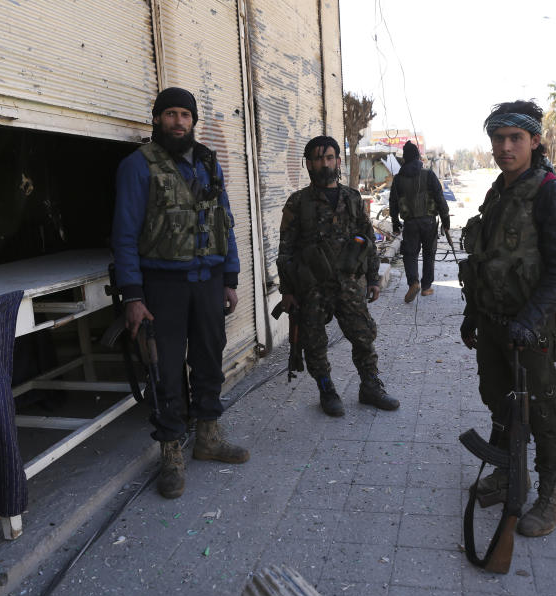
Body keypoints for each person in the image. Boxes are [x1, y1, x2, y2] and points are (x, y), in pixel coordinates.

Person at [112, 87, 249, 500]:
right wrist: (133, 296)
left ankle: (207, 436)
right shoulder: (138, 166)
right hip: (162, 286)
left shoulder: (208, 161)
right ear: (157, 120)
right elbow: (124, 234)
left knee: (209, 360)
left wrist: (231, 276)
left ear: (193, 121)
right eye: (169, 114)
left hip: (208, 282)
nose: (177, 122)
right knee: (165, 370)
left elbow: (224, 218)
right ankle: (171, 451)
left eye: (184, 115)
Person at [460, 100, 556, 537]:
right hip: (493, 323)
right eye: (498, 138)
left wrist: (529, 320)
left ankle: (554, 497)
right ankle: (512, 473)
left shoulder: (551, 192)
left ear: (535, 141)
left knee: (544, 410)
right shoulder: (499, 191)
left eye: (515, 138)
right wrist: (472, 314)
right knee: (499, 401)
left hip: (530, 329)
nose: (505, 146)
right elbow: (485, 260)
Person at [277, 136, 400, 417]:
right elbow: (286, 249)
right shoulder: (298, 203)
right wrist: (288, 290)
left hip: (350, 284)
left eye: (329, 157)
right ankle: (326, 390)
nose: (324, 164)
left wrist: (372, 278)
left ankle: (370, 386)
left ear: (337, 161)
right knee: (314, 342)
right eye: (318, 159)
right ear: (308, 164)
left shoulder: (352, 197)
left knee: (364, 336)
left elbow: (366, 239)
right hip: (313, 287)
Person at [389, 140, 450, 302]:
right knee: (429, 253)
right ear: (417, 157)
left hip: (409, 223)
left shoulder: (398, 179)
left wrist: (395, 222)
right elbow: (439, 197)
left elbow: (393, 203)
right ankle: (426, 287)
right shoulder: (428, 174)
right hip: (429, 222)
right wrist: (446, 219)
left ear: (404, 159)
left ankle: (413, 283)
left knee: (410, 255)